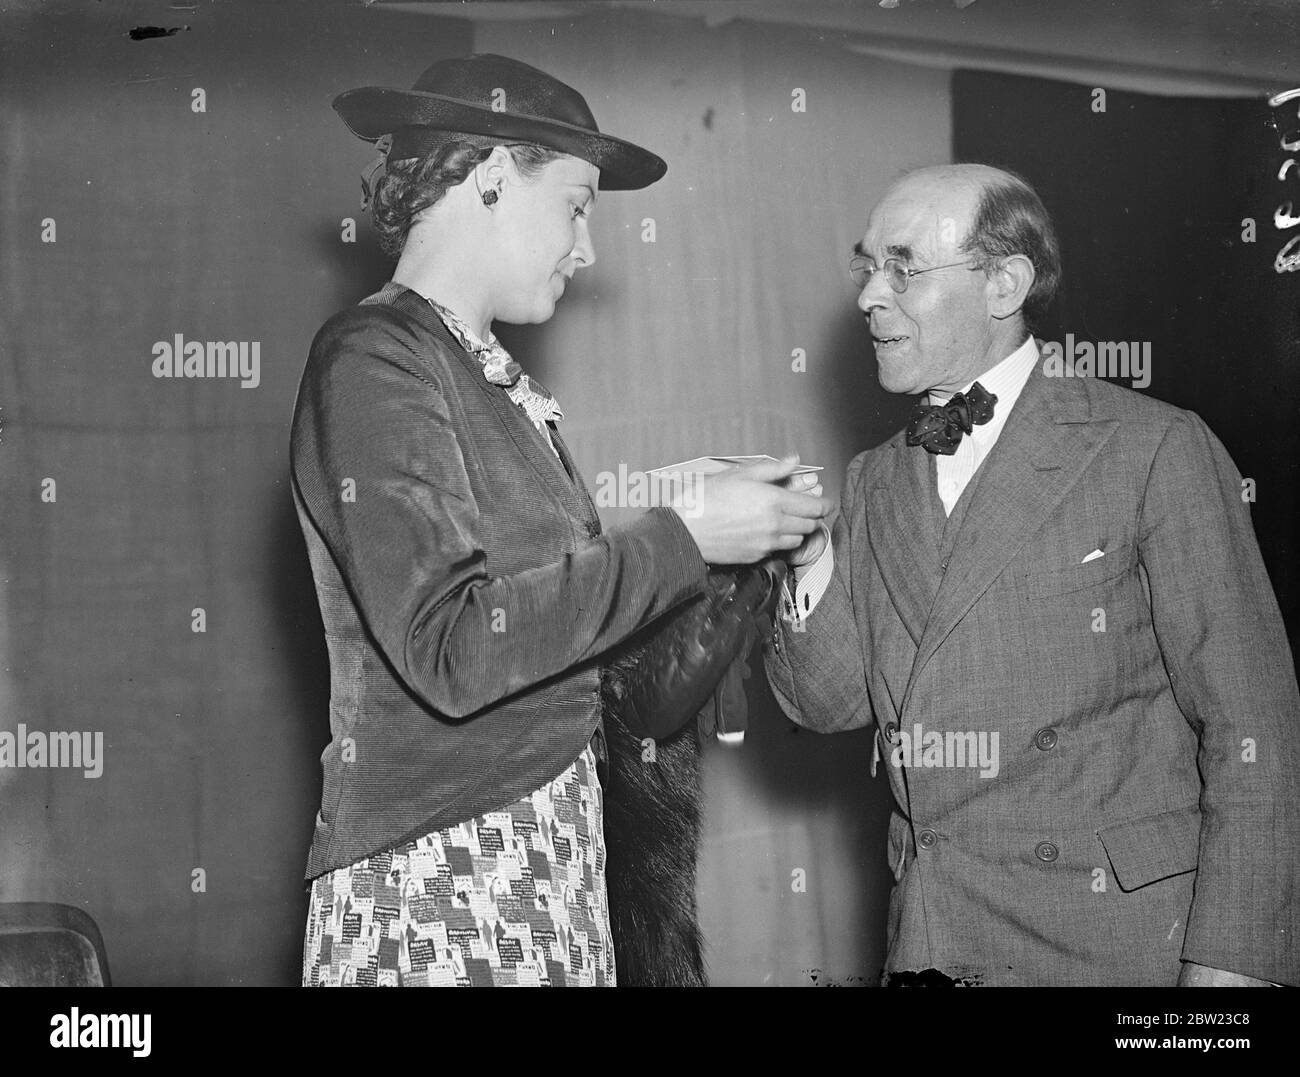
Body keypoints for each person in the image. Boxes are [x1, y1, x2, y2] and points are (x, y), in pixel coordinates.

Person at [290, 53, 830, 987]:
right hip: (444, 881)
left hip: (544, 863)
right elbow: (452, 644)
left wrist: (674, 518)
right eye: (578, 205)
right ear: (494, 180)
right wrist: (684, 534)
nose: (586, 249)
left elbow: (539, 621)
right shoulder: (375, 357)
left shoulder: (479, 375)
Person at [765, 162, 1300, 986]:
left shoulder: (1150, 448)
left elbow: (1256, 729)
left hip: (1116, 948)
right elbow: (829, 701)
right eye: (867, 265)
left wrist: (1232, 972)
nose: (871, 295)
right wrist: (807, 558)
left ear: (1004, 284)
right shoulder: (877, 477)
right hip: (935, 945)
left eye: (903, 266)